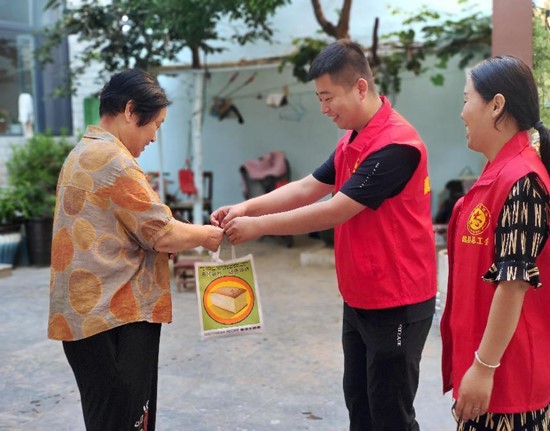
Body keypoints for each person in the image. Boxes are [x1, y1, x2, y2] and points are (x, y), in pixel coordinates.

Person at [212, 39, 437, 431]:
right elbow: (307, 187)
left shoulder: (397, 146)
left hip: (396, 299)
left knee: (390, 414)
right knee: (360, 405)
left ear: (361, 88)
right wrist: (245, 208)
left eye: (328, 97)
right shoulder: (352, 139)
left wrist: (259, 227)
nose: (323, 109)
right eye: (319, 99)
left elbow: (335, 210)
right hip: (360, 295)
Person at [48, 69, 223, 431]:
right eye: (155, 124)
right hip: (115, 317)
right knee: (128, 421)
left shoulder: (83, 152)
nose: (154, 136)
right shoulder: (113, 159)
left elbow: (127, 228)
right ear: (130, 111)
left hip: (88, 319)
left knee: (106, 419)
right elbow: (162, 234)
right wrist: (207, 235)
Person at [440, 55, 550, 430]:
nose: (462, 113)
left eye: (466, 99)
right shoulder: (500, 173)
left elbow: (513, 284)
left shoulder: (522, 181)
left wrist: (484, 368)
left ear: (496, 105)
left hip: (509, 384)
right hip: (488, 372)